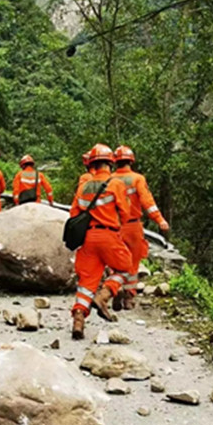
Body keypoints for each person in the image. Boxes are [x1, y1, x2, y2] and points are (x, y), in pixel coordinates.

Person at [69, 144, 134, 340]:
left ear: (92, 164)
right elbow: (126, 213)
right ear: (110, 164)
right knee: (125, 268)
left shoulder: (83, 186)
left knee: (86, 283)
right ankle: (103, 296)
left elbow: (74, 214)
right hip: (109, 236)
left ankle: (78, 319)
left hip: (88, 239)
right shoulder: (116, 184)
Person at [112, 145, 170, 309]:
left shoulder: (109, 179)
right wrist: (160, 220)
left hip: (114, 226)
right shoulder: (137, 179)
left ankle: (115, 289)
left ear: (115, 162)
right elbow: (147, 202)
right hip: (133, 226)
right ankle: (129, 297)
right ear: (131, 161)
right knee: (133, 262)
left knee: (114, 260)